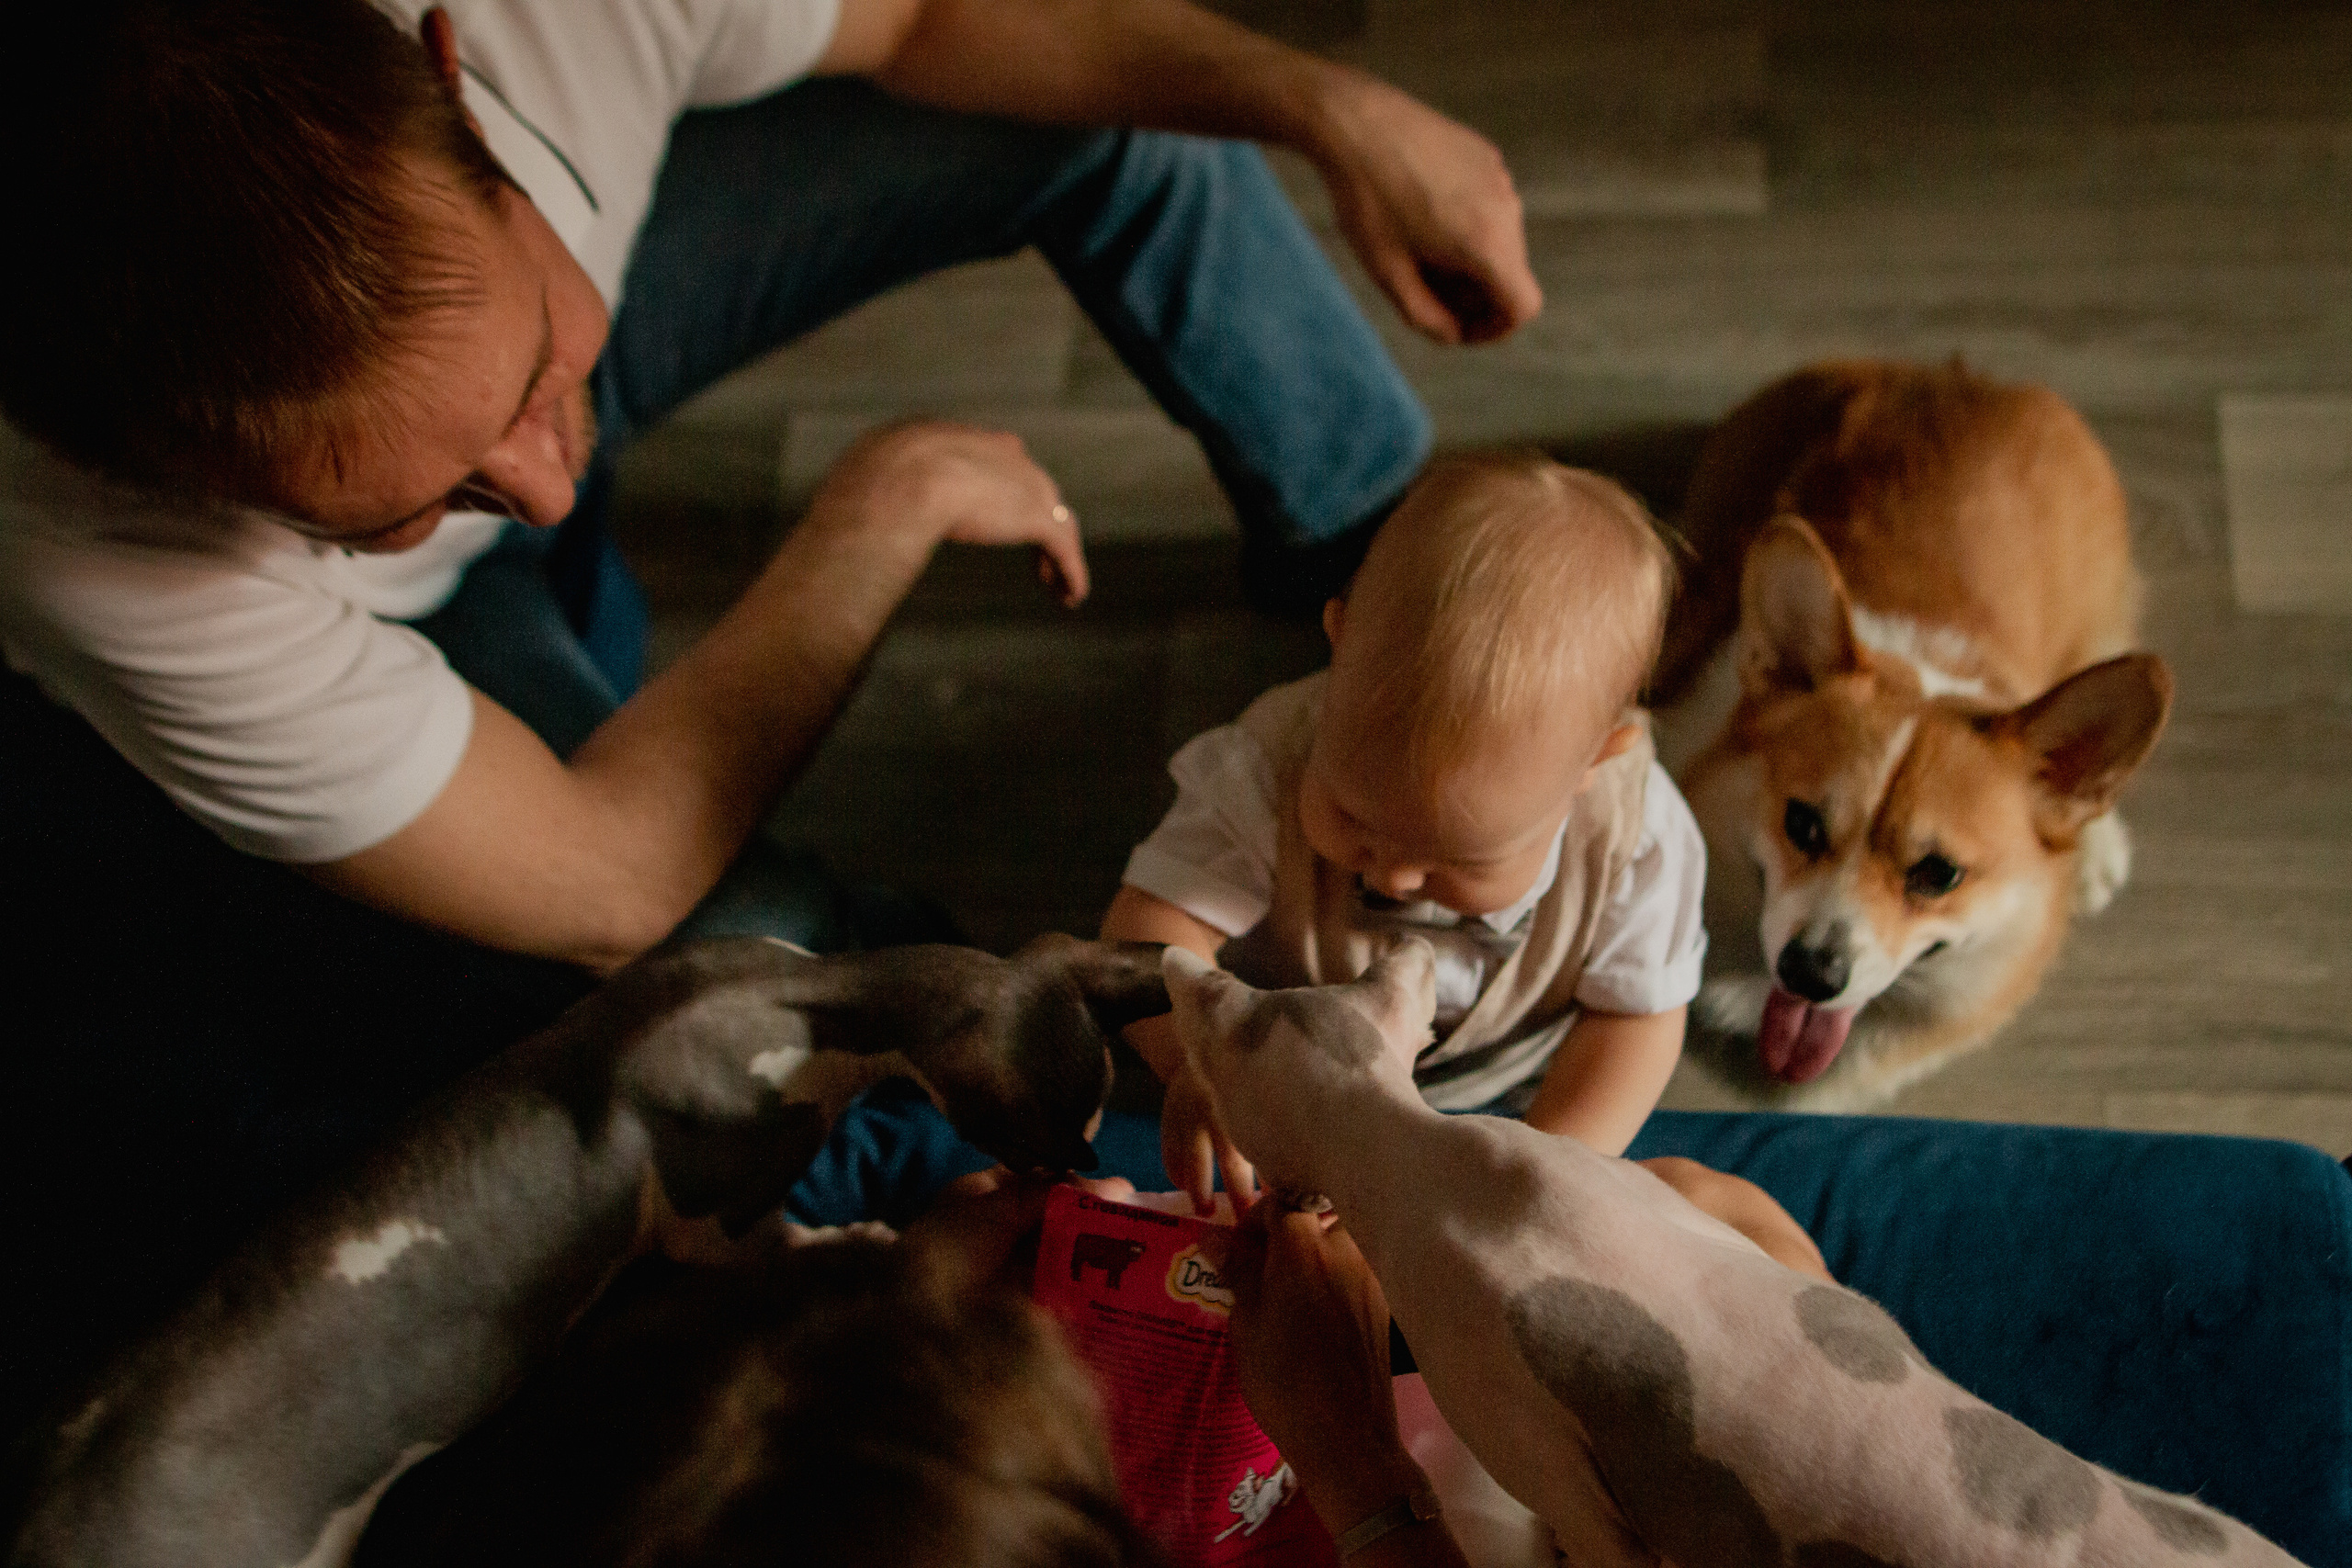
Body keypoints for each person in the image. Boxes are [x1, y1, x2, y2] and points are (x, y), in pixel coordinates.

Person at [0, 0, 1539, 1342]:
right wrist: (874, 516)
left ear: (460, 85)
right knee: (765, 958)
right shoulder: (99, 560)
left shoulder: (567, 17)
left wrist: (1329, 105)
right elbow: (608, 874)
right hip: (404, 659)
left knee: (1129, 108)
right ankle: (1102, 1118)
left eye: (539, 359)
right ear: (181, 475)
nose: (546, 478)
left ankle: (1400, 585)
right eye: (404, 500)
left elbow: (935, 13)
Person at [1102, 455, 1712, 1212]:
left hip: (1515, 1099)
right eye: (1354, 816)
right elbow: (1142, 931)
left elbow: (1636, 1020)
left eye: (1457, 858)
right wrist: (1205, 1057)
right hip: (1286, 1091)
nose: (1391, 877)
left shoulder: (1635, 839)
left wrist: (1547, 1163)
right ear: (1338, 639)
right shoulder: (1267, 769)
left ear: (1595, 760)